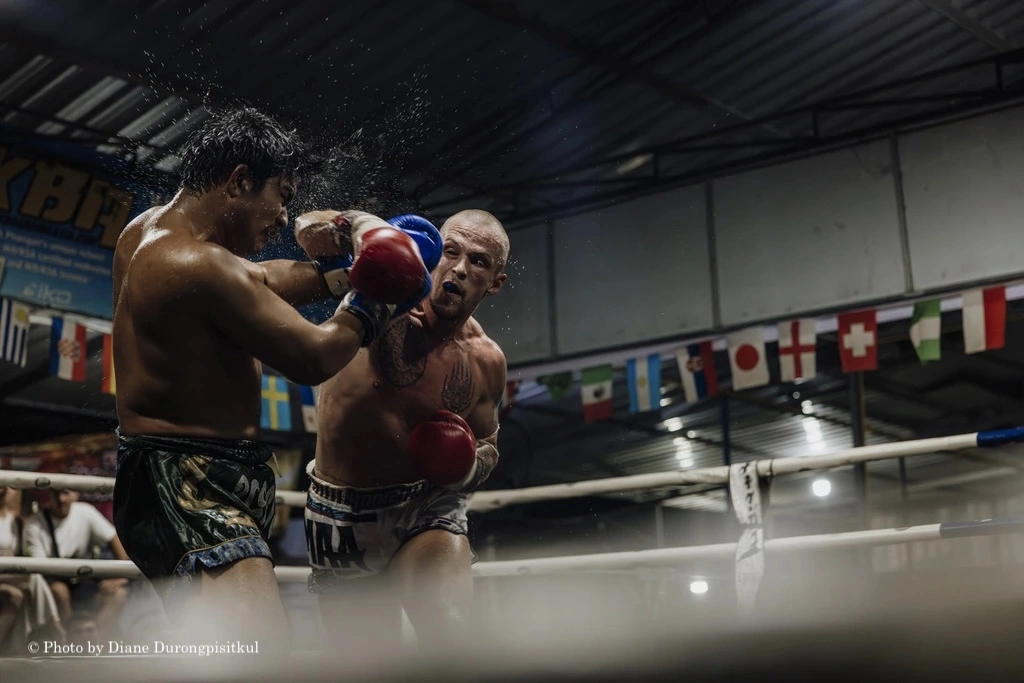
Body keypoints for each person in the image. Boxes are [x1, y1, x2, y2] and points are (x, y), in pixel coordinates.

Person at [109, 106, 441, 650]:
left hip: (186, 472)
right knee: (262, 658)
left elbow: (261, 278)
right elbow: (315, 356)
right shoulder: (196, 264)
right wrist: (374, 297)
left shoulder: (149, 233)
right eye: (282, 196)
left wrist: (350, 272)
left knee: (225, 655)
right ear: (240, 180)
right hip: (187, 483)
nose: (285, 217)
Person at [299, 208, 509, 652]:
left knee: (449, 637)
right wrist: (363, 228)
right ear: (432, 252)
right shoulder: (377, 295)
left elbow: (489, 442)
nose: (458, 268)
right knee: (370, 666)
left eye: (478, 261)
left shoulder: (486, 359)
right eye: (450, 251)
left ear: (495, 282)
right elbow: (304, 228)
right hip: (341, 511)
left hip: (425, 505)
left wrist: (465, 465)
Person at [22, 489, 126, 641]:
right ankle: (67, 641)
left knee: (118, 594)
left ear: (76, 495)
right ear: (49, 496)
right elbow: (40, 569)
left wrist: (121, 576)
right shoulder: (34, 524)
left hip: (84, 579)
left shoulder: (85, 511)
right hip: (53, 580)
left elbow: (113, 538)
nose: (61, 499)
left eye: (65, 493)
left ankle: (100, 643)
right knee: (59, 591)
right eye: (56, 494)